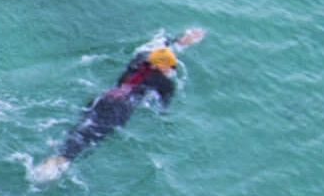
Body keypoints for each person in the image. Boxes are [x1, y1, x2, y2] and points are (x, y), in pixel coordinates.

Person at [28, 28, 203, 183]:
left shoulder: (139, 60)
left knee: (83, 127)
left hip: (105, 97)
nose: (171, 69)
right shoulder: (165, 83)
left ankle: (57, 157)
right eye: (170, 66)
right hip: (122, 107)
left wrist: (181, 41)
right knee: (93, 138)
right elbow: (162, 107)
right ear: (163, 67)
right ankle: (56, 163)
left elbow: (157, 48)